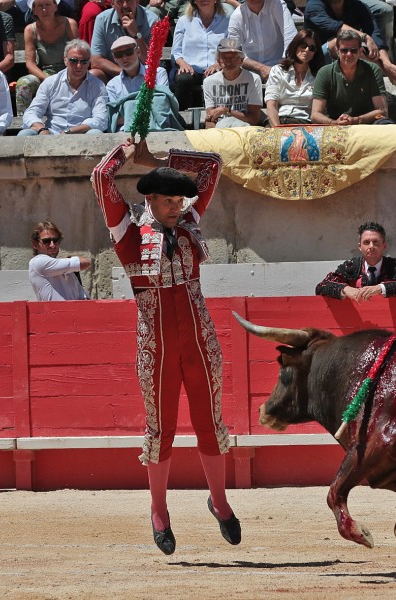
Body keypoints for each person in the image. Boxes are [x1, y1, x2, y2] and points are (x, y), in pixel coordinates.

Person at [91, 138, 240, 556]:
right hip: (155, 350)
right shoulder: (128, 234)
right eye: (169, 201)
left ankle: (220, 501)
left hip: (201, 342)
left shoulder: (190, 221)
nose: (178, 207)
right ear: (151, 200)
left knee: (211, 424)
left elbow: (213, 165)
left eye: (180, 200)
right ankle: (159, 511)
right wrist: (123, 152)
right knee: (161, 431)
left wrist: (155, 159)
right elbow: (101, 176)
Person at [304, 0, 396, 88]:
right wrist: (364, 37)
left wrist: (386, 62)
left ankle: (390, 70)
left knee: (356, 44)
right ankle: (391, 73)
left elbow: (375, 35)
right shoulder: (314, 5)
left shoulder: (357, 6)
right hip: (315, 59)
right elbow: (336, 27)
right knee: (339, 42)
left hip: (345, 56)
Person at [19, 39, 108, 135]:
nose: (79, 66)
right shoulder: (51, 82)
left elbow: (101, 119)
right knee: (25, 134)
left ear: (89, 62)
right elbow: (32, 112)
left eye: (84, 61)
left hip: (82, 134)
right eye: (73, 61)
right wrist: (41, 129)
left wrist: (70, 131)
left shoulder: (97, 86)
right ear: (65, 60)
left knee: (96, 133)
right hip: (51, 134)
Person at [316, 221, 396, 302]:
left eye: (376, 242)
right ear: (360, 247)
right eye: (366, 242)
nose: (371, 246)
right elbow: (321, 287)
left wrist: (380, 288)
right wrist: (346, 289)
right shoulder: (351, 267)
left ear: (384, 245)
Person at [310, 30, 393, 125]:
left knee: (385, 124)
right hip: (335, 126)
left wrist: (356, 120)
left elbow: (382, 111)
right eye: (344, 50)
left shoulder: (373, 70)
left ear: (360, 51)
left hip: (368, 124)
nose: (349, 54)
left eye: (353, 50)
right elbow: (315, 114)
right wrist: (334, 123)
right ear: (337, 50)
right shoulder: (324, 73)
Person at [14, 0, 78, 115]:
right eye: (40, 6)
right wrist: (47, 80)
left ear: (55, 6)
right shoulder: (30, 30)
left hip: (69, 71)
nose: (44, 9)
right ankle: (25, 122)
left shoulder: (69, 24)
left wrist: (66, 76)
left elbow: (77, 55)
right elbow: (30, 64)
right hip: (45, 74)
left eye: (48, 5)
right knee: (23, 83)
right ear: (33, 9)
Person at [170, 0, 229, 109]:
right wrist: (182, 63)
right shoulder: (184, 21)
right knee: (184, 79)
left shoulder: (226, 21)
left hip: (215, 67)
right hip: (190, 67)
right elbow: (176, 51)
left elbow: (230, 48)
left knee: (216, 78)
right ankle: (179, 117)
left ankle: (215, 118)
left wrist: (219, 63)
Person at [105, 35, 172, 132]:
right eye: (119, 54)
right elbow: (116, 118)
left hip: (157, 129)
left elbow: (162, 105)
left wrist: (128, 113)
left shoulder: (158, 73)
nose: (124, 58)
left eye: (128, 52)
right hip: (124, 133)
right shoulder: (112, 85)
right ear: (114, 58)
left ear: (138, 52)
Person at [264, 28, 324, 126]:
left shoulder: (319, 75)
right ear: (295, 46)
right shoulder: (278, 71)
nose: (307, 50)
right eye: (303, 46)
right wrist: (278, 130)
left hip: (305, 123)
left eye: (312, 48)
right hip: (279, 121)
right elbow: (271, 105)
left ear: (315, 53)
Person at [227, 0, 296, 81]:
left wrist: (280, 68)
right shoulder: (237, 16)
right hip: (249, 72)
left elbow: (291, 38)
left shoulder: (277, 5)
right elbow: (235, 52)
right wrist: (260, 68)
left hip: (280, 68)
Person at [89, 0, 158, 81]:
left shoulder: (152, 20)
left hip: (143, 76)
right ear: (112, 4)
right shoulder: (102, 19)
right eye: (120, 2)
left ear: (137, 2)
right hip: (114, 75)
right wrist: (125, 74)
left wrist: (136, 33)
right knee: (94, 74)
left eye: (129, 1)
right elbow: (95, 61)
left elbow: (150, 61)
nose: (125, 5)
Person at [202, 37, 262, 127]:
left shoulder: (253, 79)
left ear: (241, 60)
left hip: (245, 129)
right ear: (218, 60)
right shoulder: (209, 82)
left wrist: (227, 111)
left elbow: (253, 120)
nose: (229, 62)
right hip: (220, 130)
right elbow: (210, 119)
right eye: (224, 58)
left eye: (233, 58)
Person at [28, 221, 90, 301]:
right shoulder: (38, 261)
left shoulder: (68, 271)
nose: (52, 245)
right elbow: (85, 263)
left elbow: (84, 298)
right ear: (35, 244)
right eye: (46, 241)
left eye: (56, 240)